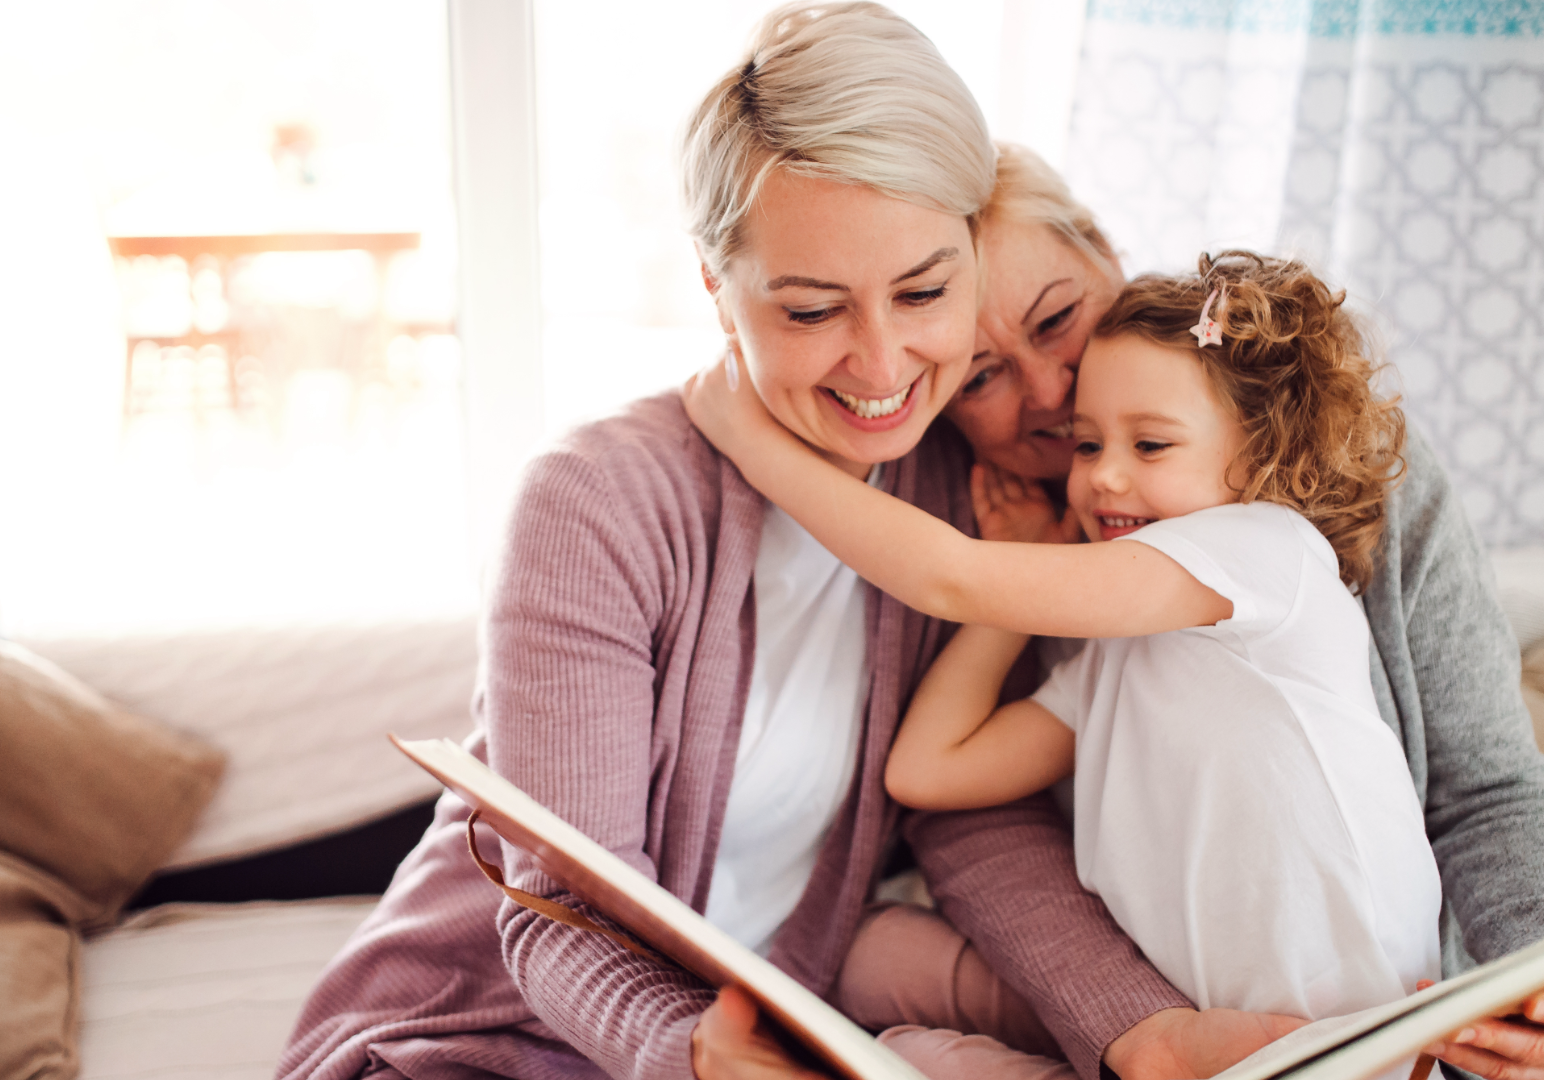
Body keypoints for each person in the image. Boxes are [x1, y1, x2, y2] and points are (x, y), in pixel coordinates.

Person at [279, 8, 1284, 1080]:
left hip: (780, 1031)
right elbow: (553, 910)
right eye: (811, 310)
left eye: (925, 292)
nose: (882, 361)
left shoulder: (963, 497)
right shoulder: (595, 505)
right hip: (479, 1037)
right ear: (717, 290)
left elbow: (962, 821)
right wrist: (689, 1055)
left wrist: (1143, 1031)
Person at [685, 250, 1443, 1074]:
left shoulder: (1270, 556)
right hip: (1218, 1049)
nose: (1104, 475)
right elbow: (927, 772)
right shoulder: (1113, 666)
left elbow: (950, 576)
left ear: (1260, 463)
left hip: (1354, 1049)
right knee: (907, 1051)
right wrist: (1027, 570)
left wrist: (750, 442)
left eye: (1150, 445)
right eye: (1086, 445)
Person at [887, 144, 1544, 1080]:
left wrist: (1525, 978)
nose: (1048, 393)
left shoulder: (1290, 513)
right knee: (896, 1020)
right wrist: (1142, 1033)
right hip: (1173, 1016)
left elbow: (1486, 787)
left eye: (1058, 319)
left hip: (1393, 1024)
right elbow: (936, 780)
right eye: (983, 375)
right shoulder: (1002, 539)